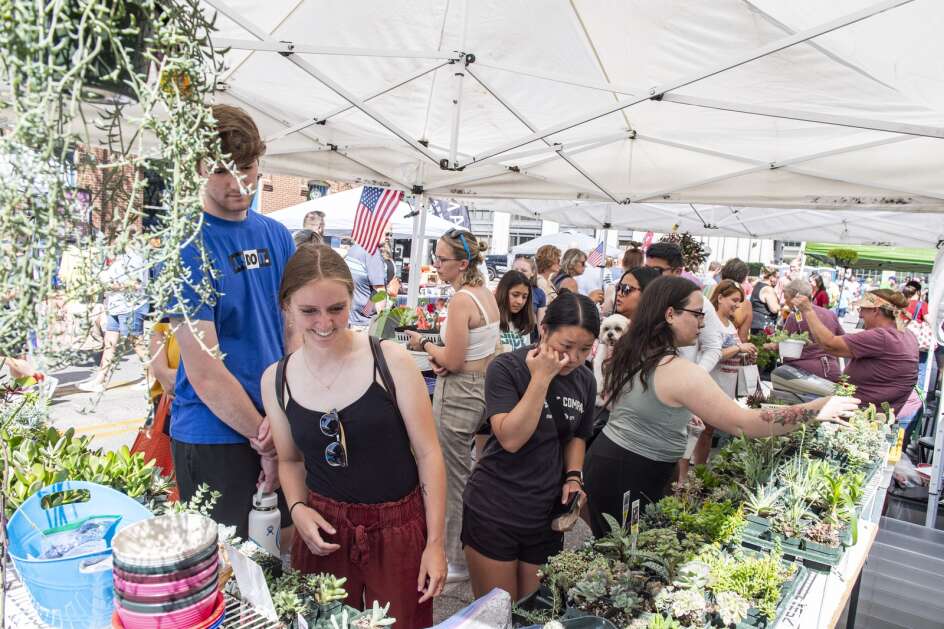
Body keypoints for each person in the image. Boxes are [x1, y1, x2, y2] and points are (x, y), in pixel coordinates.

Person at [582, 276, 857, 536]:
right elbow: (745, 423)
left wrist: (674, 416)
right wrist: (817, 409)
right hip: (630, 471)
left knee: (616, 546)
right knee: (621, 553)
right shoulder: (679, 371)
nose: (702, 323)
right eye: (698, 314)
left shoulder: (634, 351)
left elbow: (640, 404)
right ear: (669, 315)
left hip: (614, 461)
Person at [261, 244, 446, 627]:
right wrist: (297, 508)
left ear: (353, 300)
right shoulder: (276, 380)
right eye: (309, 311)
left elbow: (429, 455)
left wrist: (435, 544)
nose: (324, 323)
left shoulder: (390, 361)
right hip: (324, 530)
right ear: (286, 306)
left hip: (399, 529)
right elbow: (291, 459)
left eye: (336, 308)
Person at [167, 104, 295, 539]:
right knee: (228, 575)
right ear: (200, 168)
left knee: (283, 567)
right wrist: (267, 437)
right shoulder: (187, 246)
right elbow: (204, 370)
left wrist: (283, 421)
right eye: (223, 170)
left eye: (247, 167)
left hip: (278, 421)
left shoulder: (277, 236)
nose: (238, 182)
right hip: (214, 435)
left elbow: (293, 330)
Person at [462, 292, 598, 601]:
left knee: (532, 612)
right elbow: (511, 439)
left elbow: (578, 435)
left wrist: (574, 477)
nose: (574, 358)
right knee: (498, 614)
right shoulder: (507, 368)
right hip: (494, 510)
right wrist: (541, 378)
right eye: (566, 346)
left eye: (585, 349)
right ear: (544, 330)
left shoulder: (586, 381)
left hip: (544, 516)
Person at [405, 228, 499, 584]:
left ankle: (453, 557)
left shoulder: (461, 300)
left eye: (441, 259)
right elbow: (476, 353)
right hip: (479, 389)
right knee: (464, 473)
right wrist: (445, 355)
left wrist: (425, 347)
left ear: (462, 263)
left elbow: (455, 360)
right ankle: (461, 549)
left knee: (450, 475)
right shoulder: (483, 295)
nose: (436, 265)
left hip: (459, 391)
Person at [795, 289, 918, 414]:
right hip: (878, 412)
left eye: (862, 309)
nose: (860, 315)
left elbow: (829, 344)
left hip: (861, 415)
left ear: (875, 310)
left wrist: (808, 311)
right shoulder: (907, 334)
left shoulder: (882, 336)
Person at [689, 280, 758, 467]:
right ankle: (692, 469)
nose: (737, 304)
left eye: (739, 301)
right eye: (734, 300)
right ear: (720, 297)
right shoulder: (712, 323)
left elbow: (733, 351)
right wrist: (738, 348)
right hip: (711, 384)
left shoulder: (730, 324)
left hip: (724, 385)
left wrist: (746, 355)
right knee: (702, 430)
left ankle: (699, 468)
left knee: (708, 431)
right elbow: (712, 353)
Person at [78, 237, 151, 393]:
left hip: (131, 306)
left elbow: (136, 284)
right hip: (116, 305)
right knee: (109, 342)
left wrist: (110, 286)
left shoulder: (135, 258)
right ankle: (100, 379)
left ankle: (152, 376)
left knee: (136, 342)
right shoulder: (119, 258)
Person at [776, 279, 844, 381]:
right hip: (832, 370)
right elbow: (843, 340)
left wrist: (769, 345)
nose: (785, 301)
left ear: (797, 297)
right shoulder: (830, 314)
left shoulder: (794, 316)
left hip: (804, 373)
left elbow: (783, 344)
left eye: (787, 298)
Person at [344, 232, 390, 328]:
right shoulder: (372, 253)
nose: (388, 237)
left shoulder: (353, 250)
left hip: (351, 320)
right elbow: (379, 292)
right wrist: (381, 327)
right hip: (365, 324)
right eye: (386, 233)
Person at [495, 271, 536, 352]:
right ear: (503, 292)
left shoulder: (525, 323)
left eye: (524, 297)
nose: (520, 301)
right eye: (515, 295)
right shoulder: (492, 322)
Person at [719, 258, 752, 341]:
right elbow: (742, 338)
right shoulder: (745, 304)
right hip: (726, 348)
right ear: (743, 278)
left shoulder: (708, 290)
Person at [512, 256, 546, 324]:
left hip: (529, 332)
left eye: (524, 270)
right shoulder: (503, 289)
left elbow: (541, 321)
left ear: (532, 273)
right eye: (516, 270)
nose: (519, 273)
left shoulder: (539, 293)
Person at [749, 265, 781, 334]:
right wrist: (782, 307)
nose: (778, 280)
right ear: (771, 277)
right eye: (777, 277)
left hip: (755, 324)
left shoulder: (758, 285)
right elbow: (774, 309)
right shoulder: (768, 289)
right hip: (764, 327)